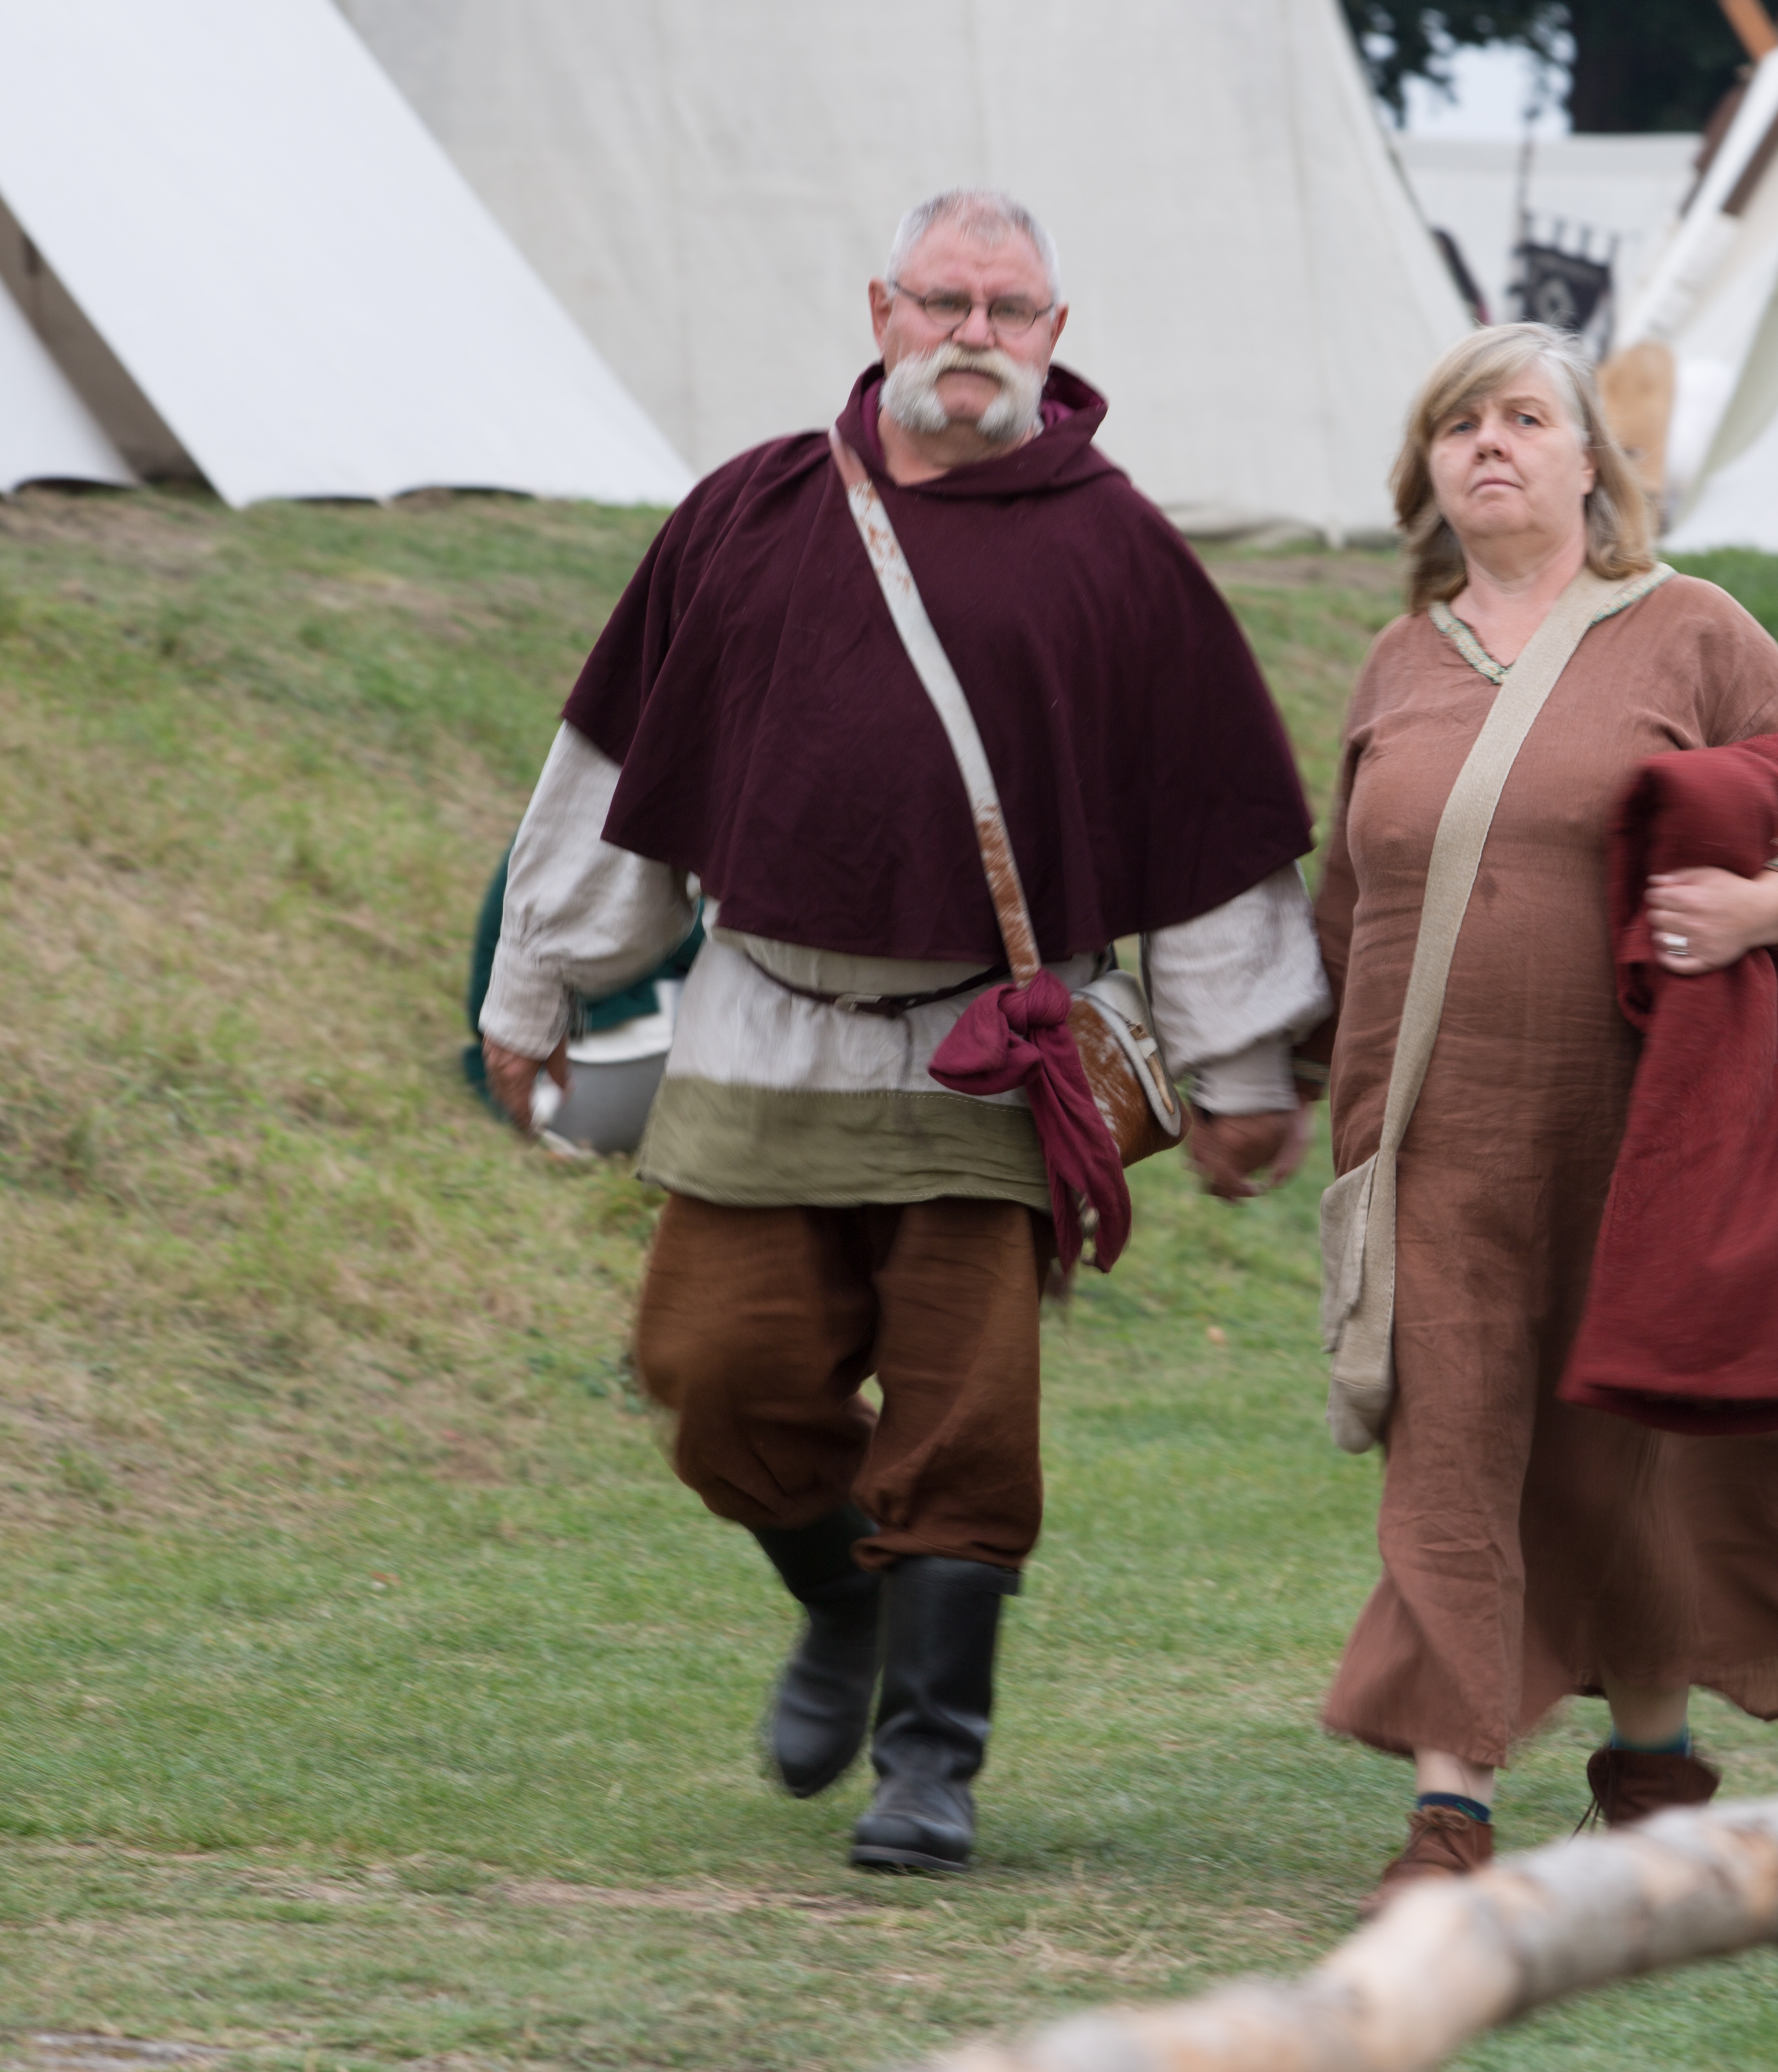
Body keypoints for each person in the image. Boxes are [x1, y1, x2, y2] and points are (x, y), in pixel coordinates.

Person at [478, 189, 1328, 1875]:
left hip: (987, 1055)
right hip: (764, 1028)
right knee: (714, 1373)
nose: (973, 333)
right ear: (882, 313)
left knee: (965, 1412)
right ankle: (843, 1603)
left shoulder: (1118, 551)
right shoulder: (752, 514)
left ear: (1055, 338)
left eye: (1010, 309)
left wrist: (1237, 1069)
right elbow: (615, 766)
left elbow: (1210, 822)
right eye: (945, 300)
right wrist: (536, 985)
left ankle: (930, 1763)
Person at [1302, 324, 1778, 1912]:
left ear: (1591, 462)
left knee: (1631, 1453)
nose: (1490, 445)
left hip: (1643, 1127)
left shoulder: (1693, 632)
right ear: (1426, 471)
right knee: (1450, 1448)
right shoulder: (1398, 663)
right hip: (1431, 1137)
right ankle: (1452, 1812)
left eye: (1523, 419)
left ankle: (1654, 1769)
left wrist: (1766, 905)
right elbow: (1347, 901)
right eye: (1458, 424)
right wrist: (1288, 1090)